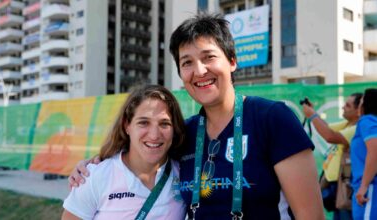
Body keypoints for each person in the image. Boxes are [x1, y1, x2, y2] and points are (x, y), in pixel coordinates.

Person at [69, 14, 324, 219]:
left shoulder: (272, 118)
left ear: (232, 61)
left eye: (208, 57)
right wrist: (94, 165)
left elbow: (310, 215)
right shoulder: (185, 133)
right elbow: (141, 153)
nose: (199, 71)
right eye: (187, 62)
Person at [62, 85, 186, 219]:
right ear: (127, 125)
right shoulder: (95, 176)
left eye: (164, 124)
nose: (154, 135)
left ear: (175, 128)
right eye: (144, 123)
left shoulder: (185, 174)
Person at [302, 93, 362, 219]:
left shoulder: (357, 128)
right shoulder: (347, 124)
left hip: (346, 187)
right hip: (336, 185)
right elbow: (325, 127)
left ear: (359, 110)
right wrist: (314, 113)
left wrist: (311, 115)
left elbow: (330, 136)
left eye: (348, 105)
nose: (343, 107)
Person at [350, 88, 377, 220]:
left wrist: (364, 185)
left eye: (361, 102)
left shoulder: (367, 120)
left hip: (370, 189)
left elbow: (375, 150)